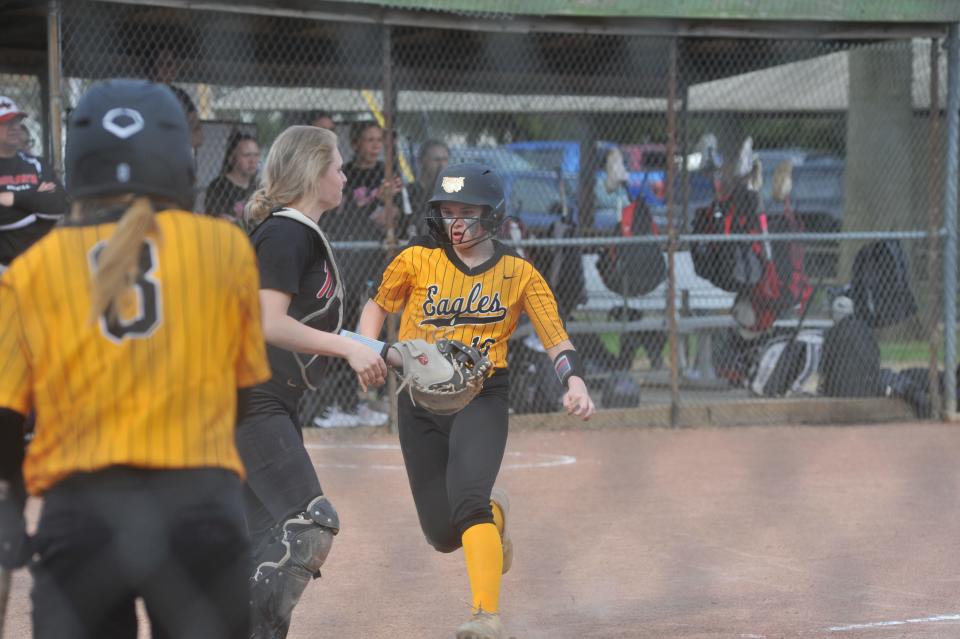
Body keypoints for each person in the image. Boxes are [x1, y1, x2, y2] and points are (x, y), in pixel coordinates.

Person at [0, 79, 270, 638]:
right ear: (179, 158)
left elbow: (5, 419)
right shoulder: (224, 248)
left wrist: (11, 502)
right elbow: (240, 394)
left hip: (81, 513)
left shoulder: (33, 270)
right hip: (199, 505)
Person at [358, 162, 596, 639]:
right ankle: (497, 514)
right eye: (446, 212)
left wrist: (574, 382)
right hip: (419, 400)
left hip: (482, 396)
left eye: (467, 211)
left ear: (493, 214)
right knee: (443, 534)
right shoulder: (416, 260)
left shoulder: (518, 273)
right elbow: (377, 306)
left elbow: (555, 338)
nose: (455, 222)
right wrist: (366, 349)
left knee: (468, 504)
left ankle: (484, 617)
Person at [238, 124, 389, 638]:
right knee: (307, 526)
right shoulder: (285, 231)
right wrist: (349, 347)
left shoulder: (298, 232)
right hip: (250, 401)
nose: (345, 176)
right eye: (338, 166)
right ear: (312, 171)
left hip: (270, 403)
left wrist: (383, 351)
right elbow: (269, 322)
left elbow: (312, 323)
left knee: (263, 544)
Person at [312, 120, 399, 427]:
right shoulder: (344, 171)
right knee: (344, 326)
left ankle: (360, 401)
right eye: (369, 139)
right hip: (347, 261)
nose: (375, 145)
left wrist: (390, 206)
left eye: (379, 140)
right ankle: (337, 403)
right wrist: (376, 199)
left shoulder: (388, 173)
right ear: (356, 143)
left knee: (371, 330)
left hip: (375, 260)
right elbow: (343, 216)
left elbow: (399, 217)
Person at [0, 96, 67, 270]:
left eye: (17, 121)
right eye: (6, 122)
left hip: (42, 263)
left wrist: (13, 198)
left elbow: (59, 204)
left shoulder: (35, 163)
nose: (15, 127)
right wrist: (37, 207)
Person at [205, 130, 259, 225]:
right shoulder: (219, 187)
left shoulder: (259, 186)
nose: (252, 160)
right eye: (246, 155)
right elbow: (221, 221)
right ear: (231, 158)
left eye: (256, 155)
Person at [405, 138, 449, 237]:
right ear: (422, 161)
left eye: (445, 160)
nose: (442, 165)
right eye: (437, 160)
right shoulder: (410, 191)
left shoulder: (449, 192)